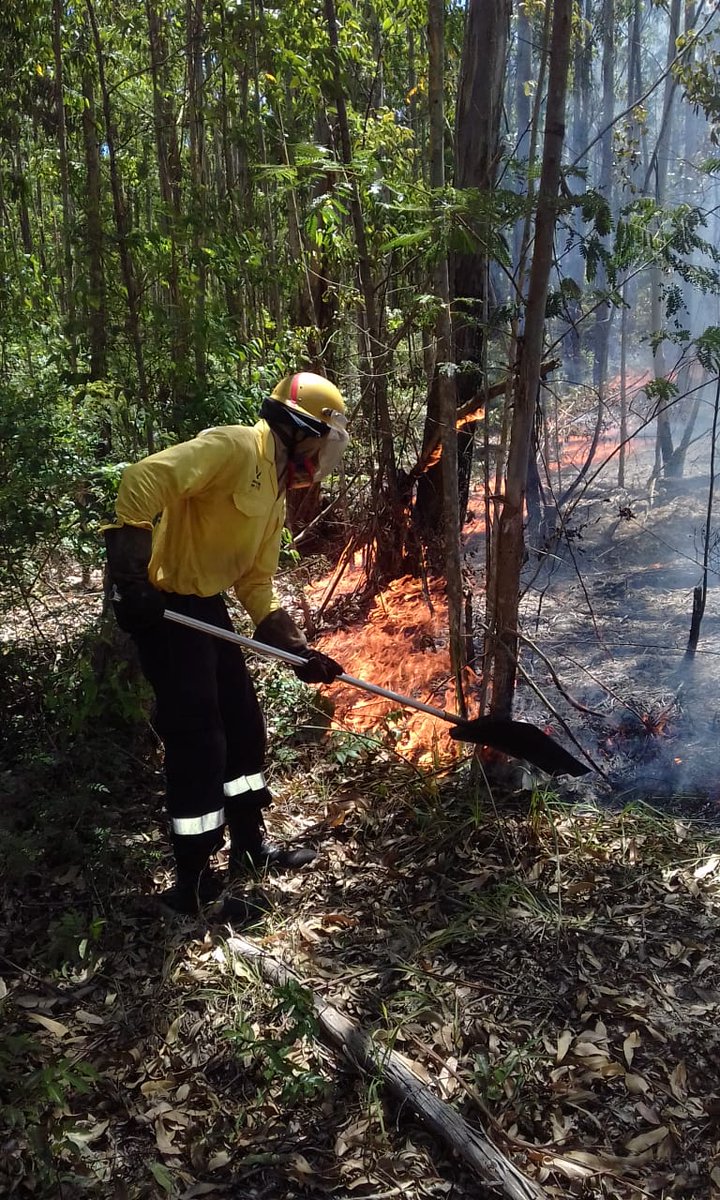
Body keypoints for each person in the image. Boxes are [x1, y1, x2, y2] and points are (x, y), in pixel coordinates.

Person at [103, 372, 349, 917]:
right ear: (297, 429)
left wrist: (298, 650)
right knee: (199, 741)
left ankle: (248, 849)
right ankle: (190, 883)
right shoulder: (233, 446)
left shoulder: (277, 491)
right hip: (168, 612)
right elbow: (143, 479)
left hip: (207, 610)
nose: (324, 455)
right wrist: (130, 577)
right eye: (322, 439)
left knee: (242, 725)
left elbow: (256, 585)